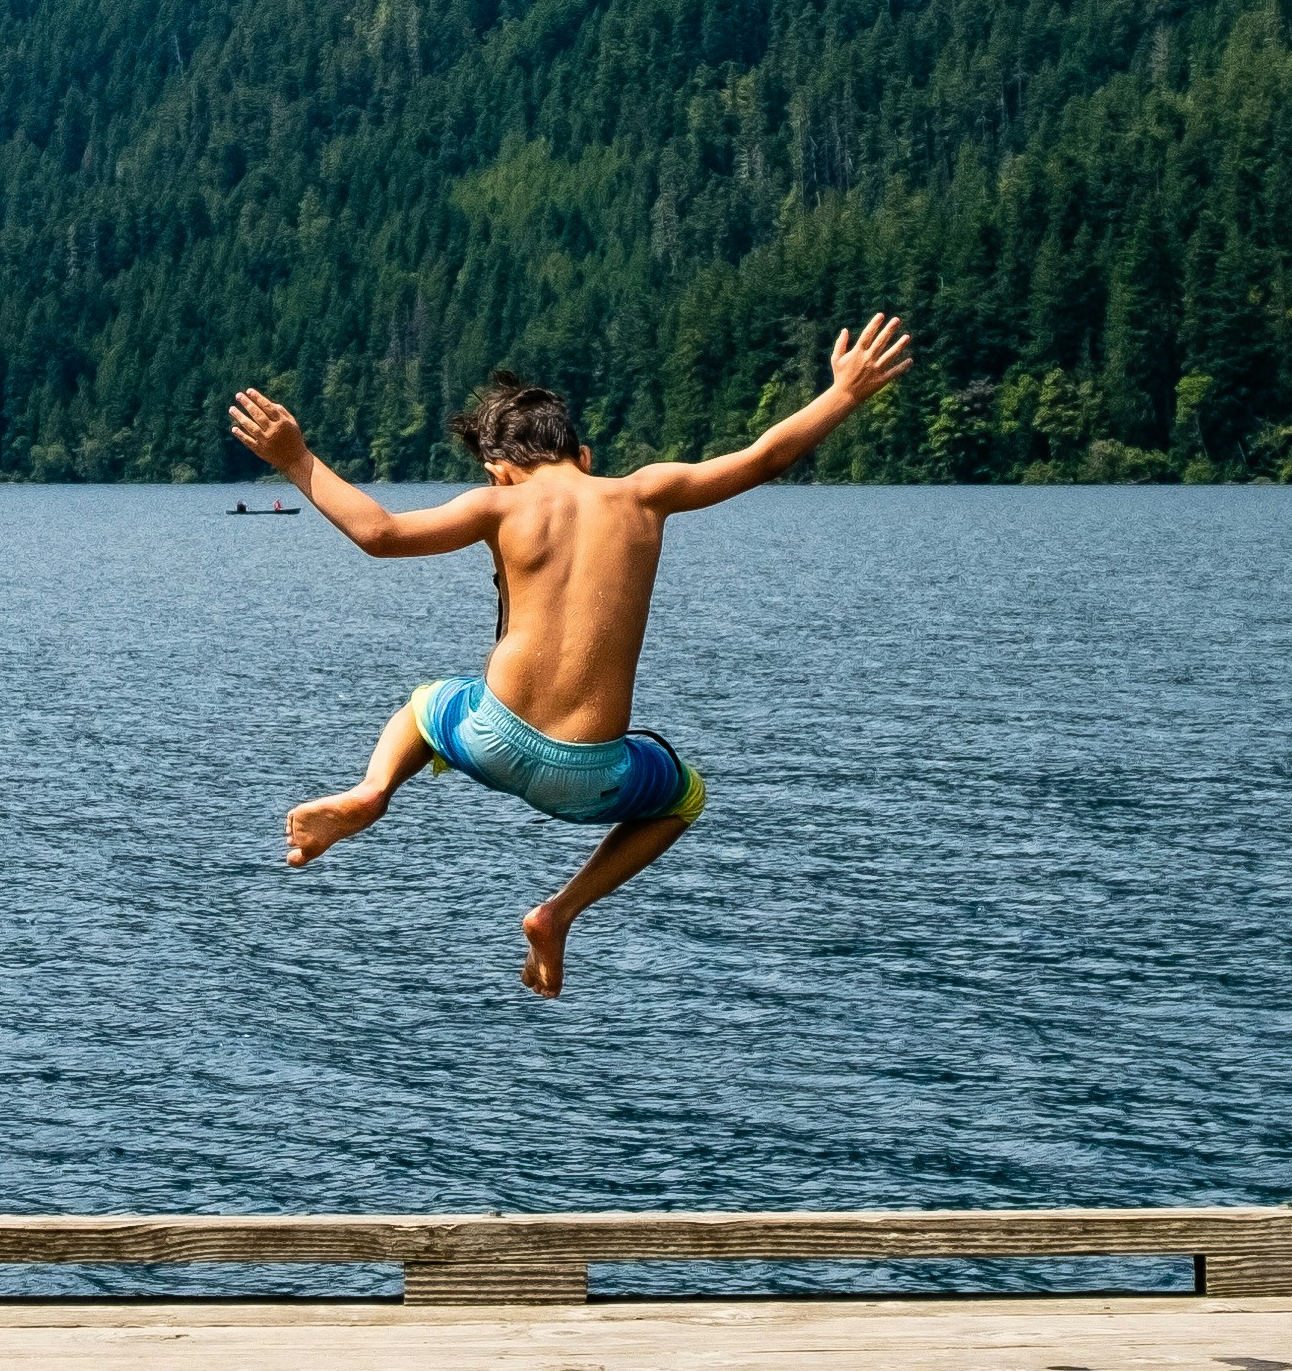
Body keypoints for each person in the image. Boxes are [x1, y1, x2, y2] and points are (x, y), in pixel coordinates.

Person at [232, 315, 915, 996]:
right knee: (684, 797)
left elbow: (379, 534)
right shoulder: (647, 493)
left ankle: (372, 791)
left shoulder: (499, 507)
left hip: (488, 735)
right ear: (583, 455)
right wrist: (845, 393)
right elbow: (766, 456)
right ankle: (560, 912)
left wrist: (295, 458)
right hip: (595, 776)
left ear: (501, 472)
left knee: (425, 704)